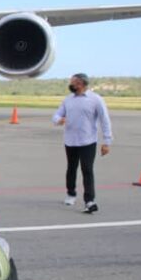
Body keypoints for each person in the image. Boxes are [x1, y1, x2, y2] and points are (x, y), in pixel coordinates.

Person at [53, 73, 112, 213]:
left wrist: (107, 141)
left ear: (81, 84)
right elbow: (56, 115)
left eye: (73, 82)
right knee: (71, 168)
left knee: (87, 170)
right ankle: (71, 193)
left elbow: (104, 119)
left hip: (88, 141)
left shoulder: (95, 99)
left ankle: (89, 201)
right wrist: (58, 120)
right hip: (70, 141)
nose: (71, 85)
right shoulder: (68, 100)